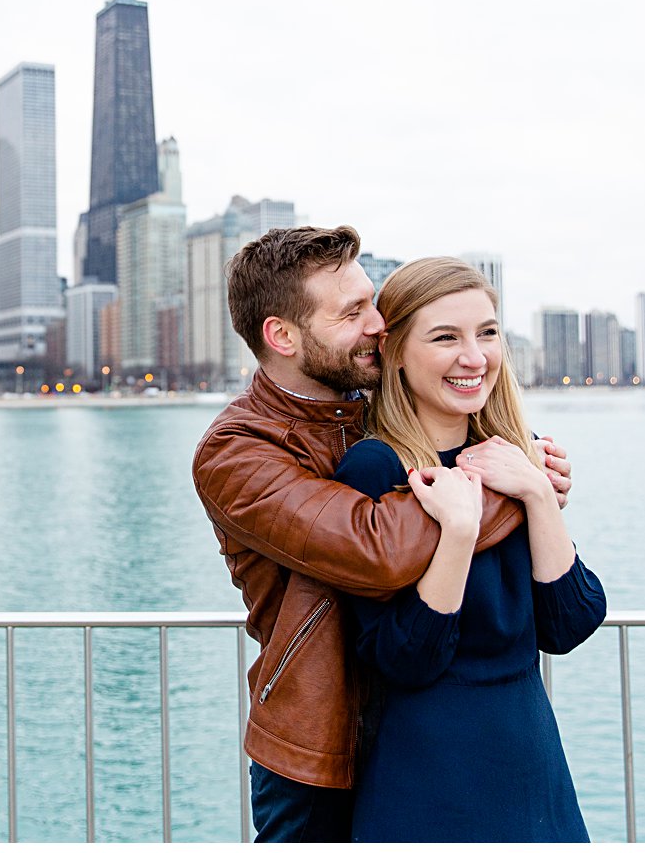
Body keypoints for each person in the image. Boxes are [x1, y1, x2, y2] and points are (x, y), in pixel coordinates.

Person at [192, 226, 574, 842]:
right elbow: (376, 549)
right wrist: (515, 483)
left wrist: (533, 486)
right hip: (320, 743)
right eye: (352, 313)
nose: (379, 325)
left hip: (413, 724)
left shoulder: (367, 411)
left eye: (372, 301)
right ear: (282, 335)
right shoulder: (237, 452)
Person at [334, 256, 605, 842]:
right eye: (445, 338)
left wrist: (534, 490)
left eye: (487, 332)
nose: (474, 357)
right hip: (427, 775)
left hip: (532, 765)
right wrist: (457, 533)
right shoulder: (374, 467)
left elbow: (570, 623)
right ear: (397, 353)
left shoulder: (517, 455)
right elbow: (406, 660)